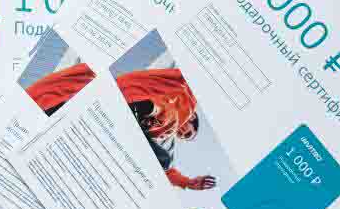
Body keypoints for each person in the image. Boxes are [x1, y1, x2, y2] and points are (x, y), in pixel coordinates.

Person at [25, 62, 216, 191]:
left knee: (164, 160)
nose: (182, 134)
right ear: (192, 117)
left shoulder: (168, 142)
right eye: (188, 132)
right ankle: (142, 108)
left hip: (125, 123)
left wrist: (187, 182)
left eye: (184, 137)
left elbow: (168, 172)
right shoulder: (182, 103)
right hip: (134, 102)